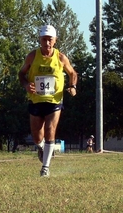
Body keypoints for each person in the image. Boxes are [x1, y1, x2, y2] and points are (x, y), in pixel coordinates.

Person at [18, 25, 77, 177]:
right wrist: (25, 85)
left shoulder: (61, 58)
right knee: (37, 136)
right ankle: (42, 148)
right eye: (44, 39)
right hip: (36, 100)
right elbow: (21, 73)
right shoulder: (32, 56)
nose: (47, 43)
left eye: (50, 39)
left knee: (50, 130)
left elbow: (72, 73)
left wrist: (73, 86)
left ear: (55, 40)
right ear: (40, 40)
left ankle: (45, 167)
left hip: (54, 100)